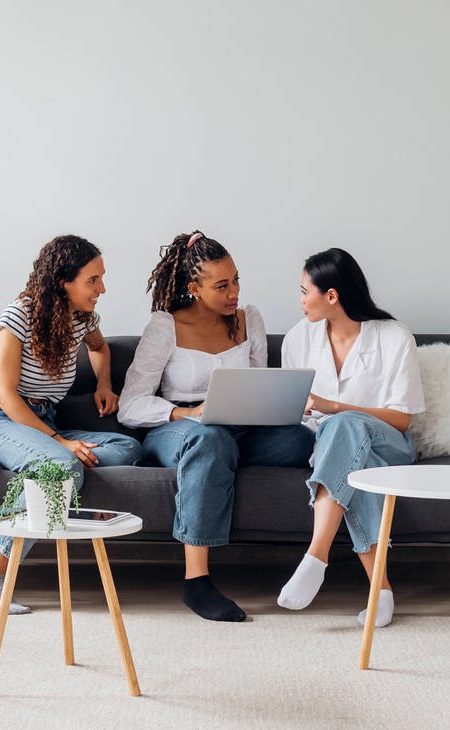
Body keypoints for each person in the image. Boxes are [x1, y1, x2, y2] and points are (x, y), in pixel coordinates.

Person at [119, 231, 315, 622]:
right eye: (222, 285)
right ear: (194, 287)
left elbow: (259, 383)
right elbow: (130, 406)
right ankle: (196, 580)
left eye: (237, 280)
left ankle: (220, 457)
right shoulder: (165, 326)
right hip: (178, 429)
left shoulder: (249, 319)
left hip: (240, 430)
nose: (233, 292)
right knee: (209, 439)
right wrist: (186, 413)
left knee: (299, 439)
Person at [0, 235, 142, 615]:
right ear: (64, 280)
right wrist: (60, 443)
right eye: (93, 280)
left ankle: (14, 475)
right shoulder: (19, 315)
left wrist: (105, 384)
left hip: (40, 423)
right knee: (62, 465)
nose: (102, 288)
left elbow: (99, 348)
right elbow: (7, 396)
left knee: (127, 448)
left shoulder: (83, 319)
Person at [276, 247, 425, 628]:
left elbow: (402, 419)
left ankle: (317, 555)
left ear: (331, 295)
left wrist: (335, 407)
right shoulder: (298, 339)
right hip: (331, 448)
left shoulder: (393, 337)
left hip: (390, 443)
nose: (300, 300)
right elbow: (294, 410)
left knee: (343, 427)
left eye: (304, 290)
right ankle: (381, 592)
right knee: (355, 466)